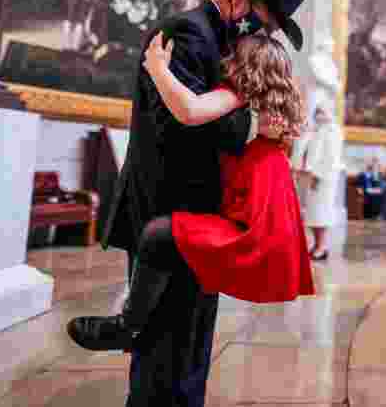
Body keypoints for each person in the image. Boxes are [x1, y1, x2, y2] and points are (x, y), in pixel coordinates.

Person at [68, 0, 306, 407]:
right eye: (264, 23)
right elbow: (185, 122)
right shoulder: (187, 32)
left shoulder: (226, 41)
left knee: (190, 340)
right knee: (164, 343)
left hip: (202, 210)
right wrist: (254, 123)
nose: (264, 35)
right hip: (167, 202)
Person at [71, 33, 313, 349]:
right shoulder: (271, 110)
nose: (225, 62)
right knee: (162, 238)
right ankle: (133, 327)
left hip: (250, 234)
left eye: (233, 56)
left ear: (247, 67)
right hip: (267, 231)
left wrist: (158, 69)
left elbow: (190, 110)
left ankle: (126, 327)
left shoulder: (241, 98)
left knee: (158, 235)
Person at [291, 102, 343, 260]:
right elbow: (304, 150)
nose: (319, 115)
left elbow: (331, 158)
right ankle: (316, 244)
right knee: (312, 214)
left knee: (321, 213)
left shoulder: (333, 131)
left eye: (322, 112)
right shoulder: (317, 130)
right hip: (311, 177)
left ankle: (322, 246)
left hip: (323, 178)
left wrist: (318, 176)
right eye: (317, 112)